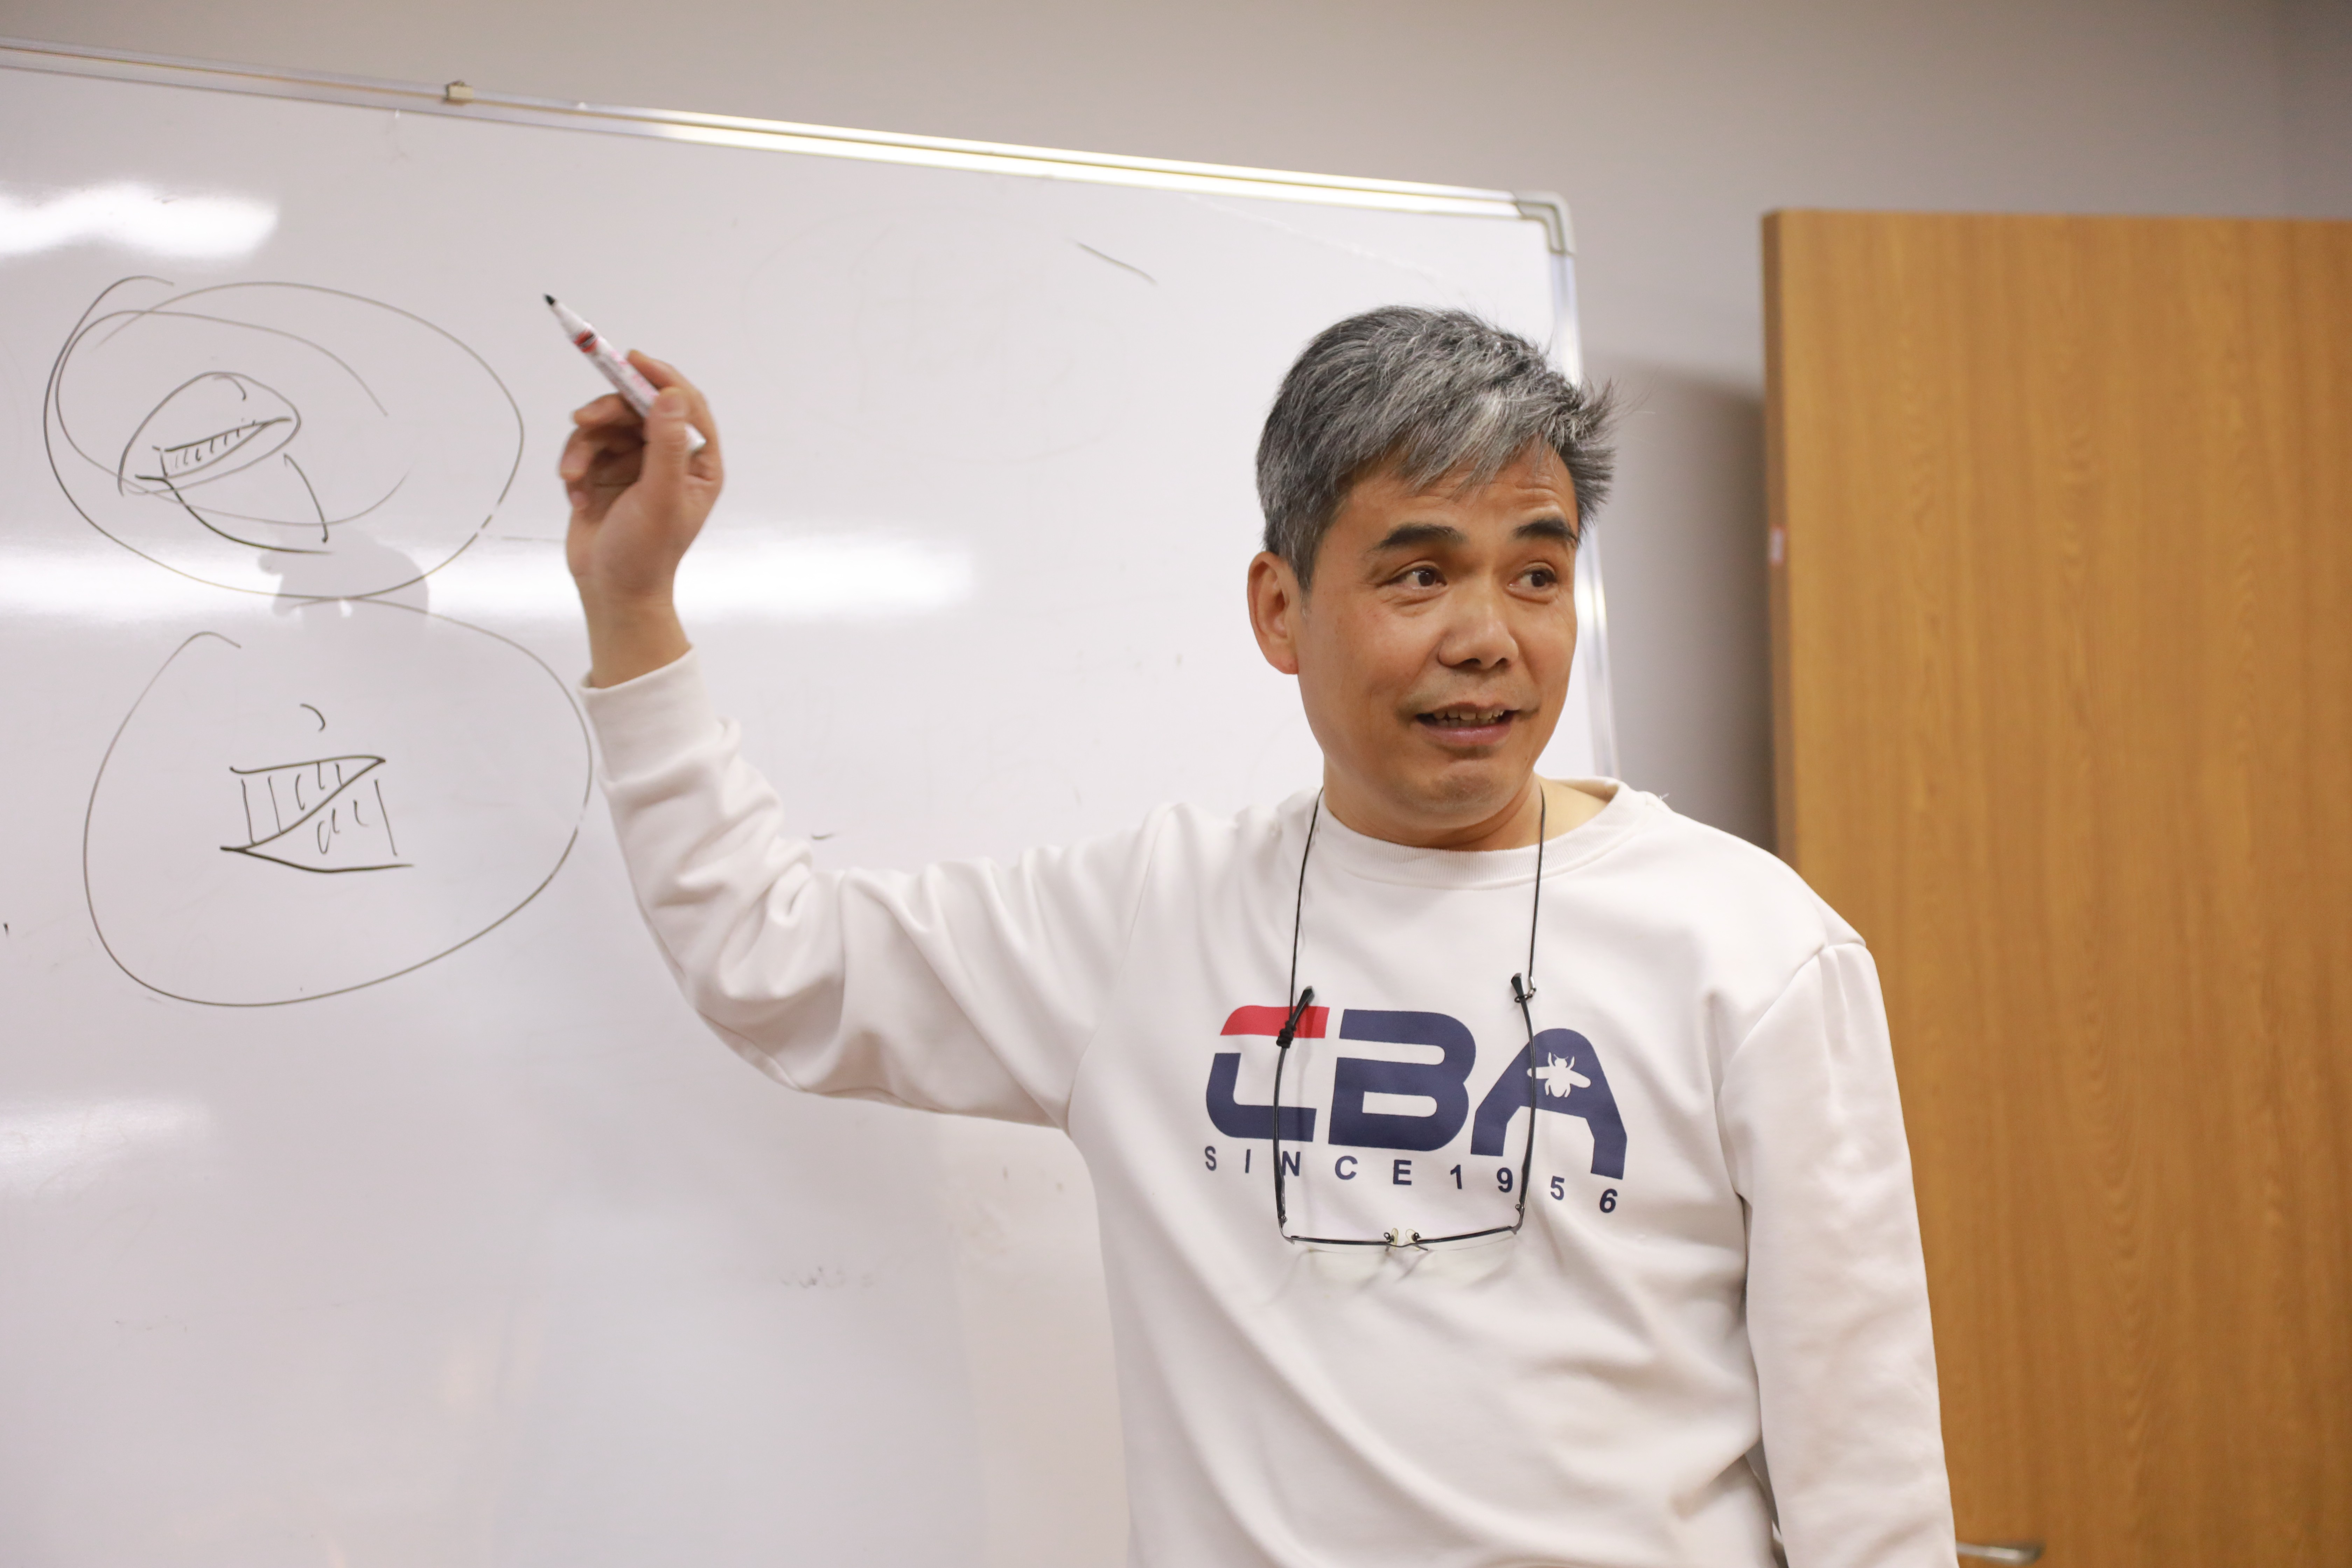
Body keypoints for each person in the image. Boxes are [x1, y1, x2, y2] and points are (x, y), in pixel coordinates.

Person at [558, 307, 1957, 1568]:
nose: (1489, 637)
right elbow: (773, 960)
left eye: (1537, 575)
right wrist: (632, 608)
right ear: (1280, 611)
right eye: (1420, 575)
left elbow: (1866, 1470)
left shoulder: (1755, 951)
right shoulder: (1149, 920)